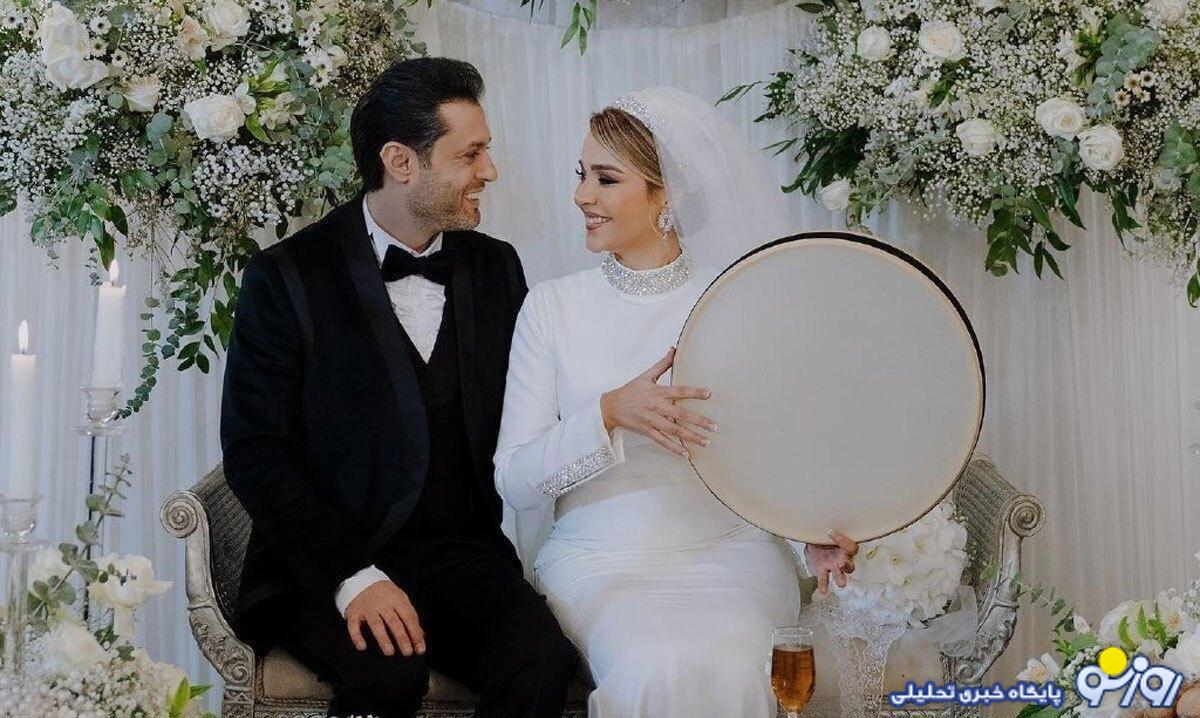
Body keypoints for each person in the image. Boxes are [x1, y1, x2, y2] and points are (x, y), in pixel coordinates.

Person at [220, 57, 579, 718]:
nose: (490, 171)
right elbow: (255, 451)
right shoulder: (286, 277)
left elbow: (544, 406)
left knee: (541, 661)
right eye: (470, 154)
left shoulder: (496, 268)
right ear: (400, 161)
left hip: (461, 557)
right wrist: (351, 577)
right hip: (325, 563)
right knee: (388, 675)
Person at [493, 87, 859, 718]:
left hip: (732, 555)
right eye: (581, 175)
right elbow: (515, 481)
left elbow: (774, 454)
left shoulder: (735, 301)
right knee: (652, 664)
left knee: (735, 665)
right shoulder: (551, 308)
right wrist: (609, 414)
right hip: (596, 560)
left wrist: (809, 540)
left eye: (606, 179)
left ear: (668, 195)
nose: (582, 195)